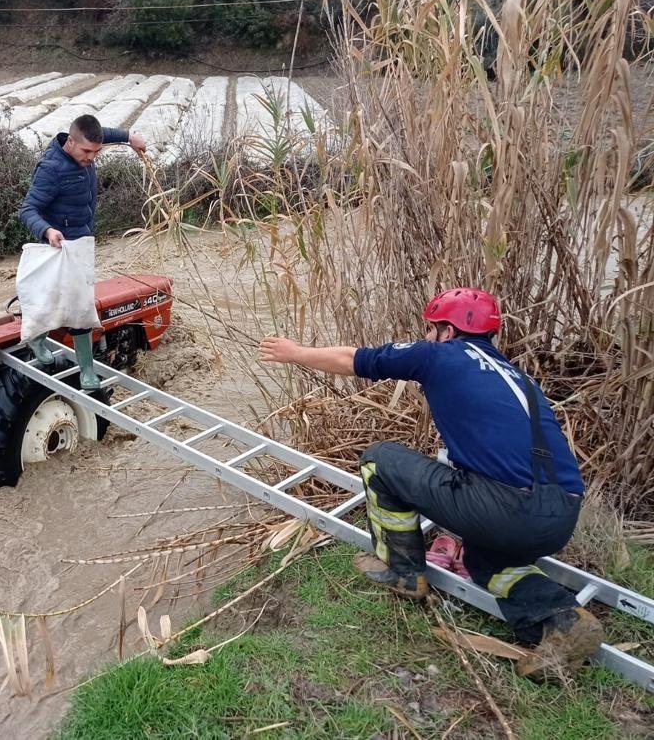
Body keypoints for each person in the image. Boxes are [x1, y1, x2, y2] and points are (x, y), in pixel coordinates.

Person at [257, 287, 603, 681]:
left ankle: (402, 572)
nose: (427, 336)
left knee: (380, 459)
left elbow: (352, 359)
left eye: (431, 329)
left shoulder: (440, 354)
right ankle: (563, 617)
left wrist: (295, 352)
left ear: (448, 330)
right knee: (482, 560)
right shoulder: (519, 378)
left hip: (508, 509)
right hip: (560, 517)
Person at [18, 114, 146, 389]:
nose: (92, 157)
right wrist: (47, 231)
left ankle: (83, 367)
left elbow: (103, 133)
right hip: (57, 244)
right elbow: (28, 209)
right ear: (71, 142)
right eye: (87, 151)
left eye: (97, 152)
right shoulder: (51, 169)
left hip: (82, 244)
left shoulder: (87, 145)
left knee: (78, 304)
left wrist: (128, 137)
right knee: (61, 302)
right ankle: (45, 345)